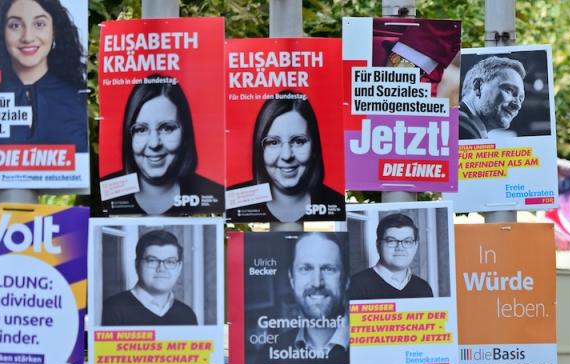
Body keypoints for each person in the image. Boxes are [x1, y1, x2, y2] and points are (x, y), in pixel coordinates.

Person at [0, 0, 87, 154]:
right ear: (1, 32)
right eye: (15, 25)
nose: (28, 37)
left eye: (39, 24)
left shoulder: (78, 96)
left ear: (54, 30)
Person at [105, 76, 223, 215]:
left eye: (167, 128)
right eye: (141, 130)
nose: (154, 144)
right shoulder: (108, 192)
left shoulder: (215, 194)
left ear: (185, 133)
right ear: (129, 137)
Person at [249, 233, 349, 364]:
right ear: (292, 279)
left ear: (346, 280)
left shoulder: (367, 347)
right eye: (306, 268)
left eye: (329, 269)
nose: (317, 282)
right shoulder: (267, 356)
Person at [246, 91, 344, 222]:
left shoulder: (337, 204)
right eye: (273, 142)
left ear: (315, 147)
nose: (286, 156)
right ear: (259, 151)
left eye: (298, 141)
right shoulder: (236, 204)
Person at [101, 229, 198, 327]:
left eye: (170, 262)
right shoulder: (111, 310)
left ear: (179, 268)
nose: (161, 268)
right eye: (152, 260)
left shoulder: (187, 315)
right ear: (137, 265)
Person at [348, 213, 434, 300]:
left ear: (415, 246)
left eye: (407, 241)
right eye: (391, 241)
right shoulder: (354, 286)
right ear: (378, 245)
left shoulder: (424, 288)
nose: (399, 248)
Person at [458, 56, 526, 140]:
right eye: (509, 90)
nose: (517, 105)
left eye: (520, 99)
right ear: (478, 86)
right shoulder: (461, 126)